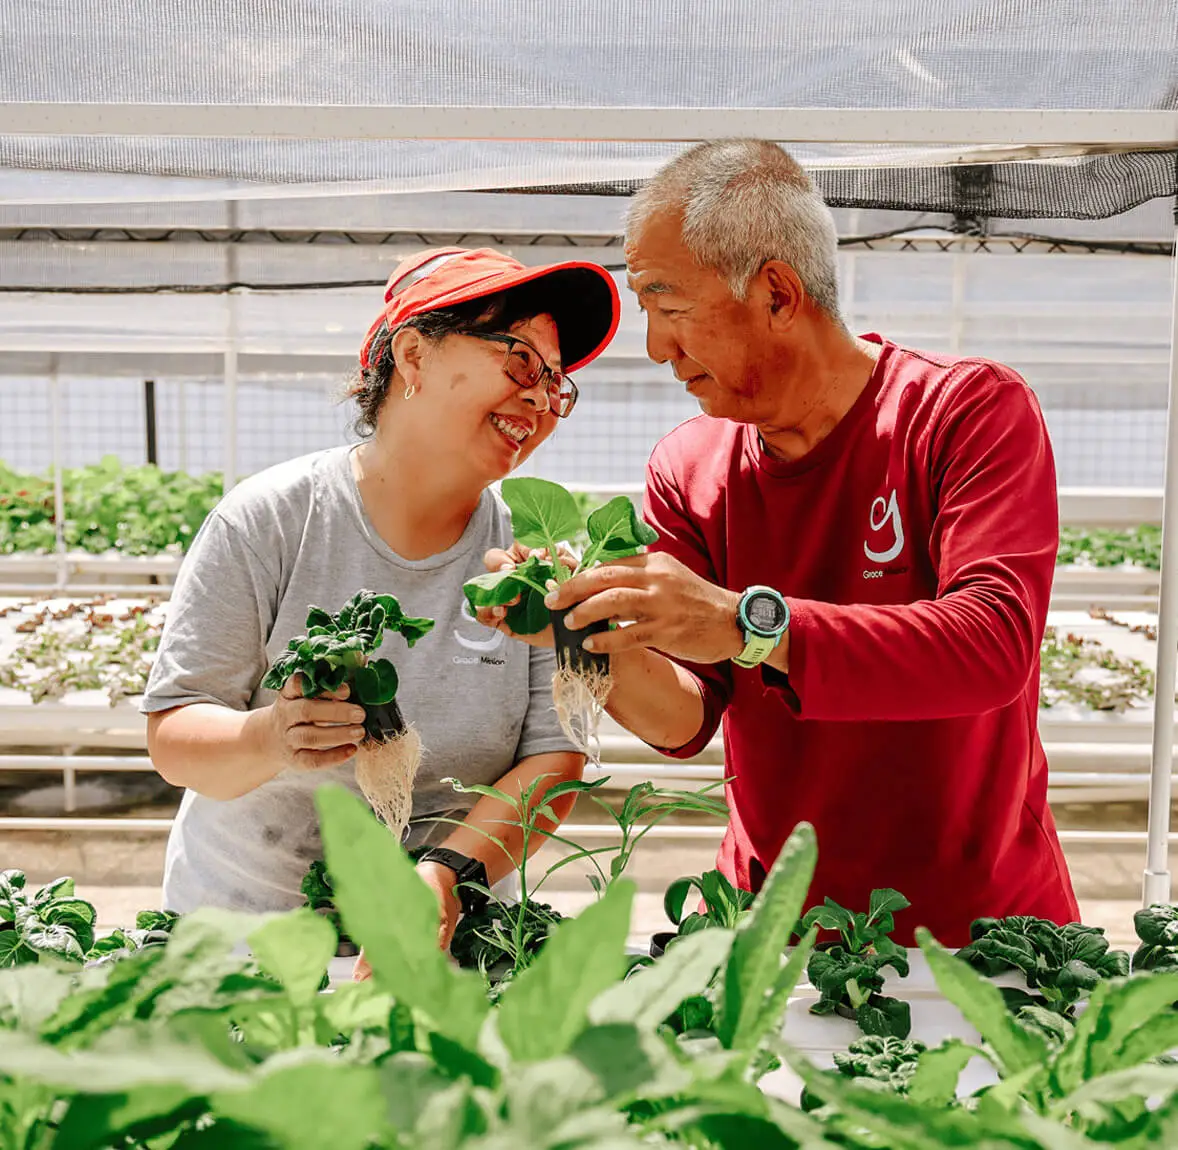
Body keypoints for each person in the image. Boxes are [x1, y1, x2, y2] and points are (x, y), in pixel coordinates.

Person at [480, 140, 1080, 947]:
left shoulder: (964, 413)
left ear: (777, 292)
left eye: (669, 303)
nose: (657, 347)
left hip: (978, 927)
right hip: (774, 930)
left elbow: (991, 645)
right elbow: (685, 717)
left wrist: (746, 623)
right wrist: (585, 629)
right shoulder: (690, 467)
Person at [142, 245, 621, 960]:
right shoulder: (271, 520)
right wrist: (274, 737)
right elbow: (175, 737)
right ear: (415, 355)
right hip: (247, 939)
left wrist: (449, 875)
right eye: (520, 359)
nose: (541, 397)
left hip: (445, 930)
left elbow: (554, 758)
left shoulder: (533, 554)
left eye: (557, 382)